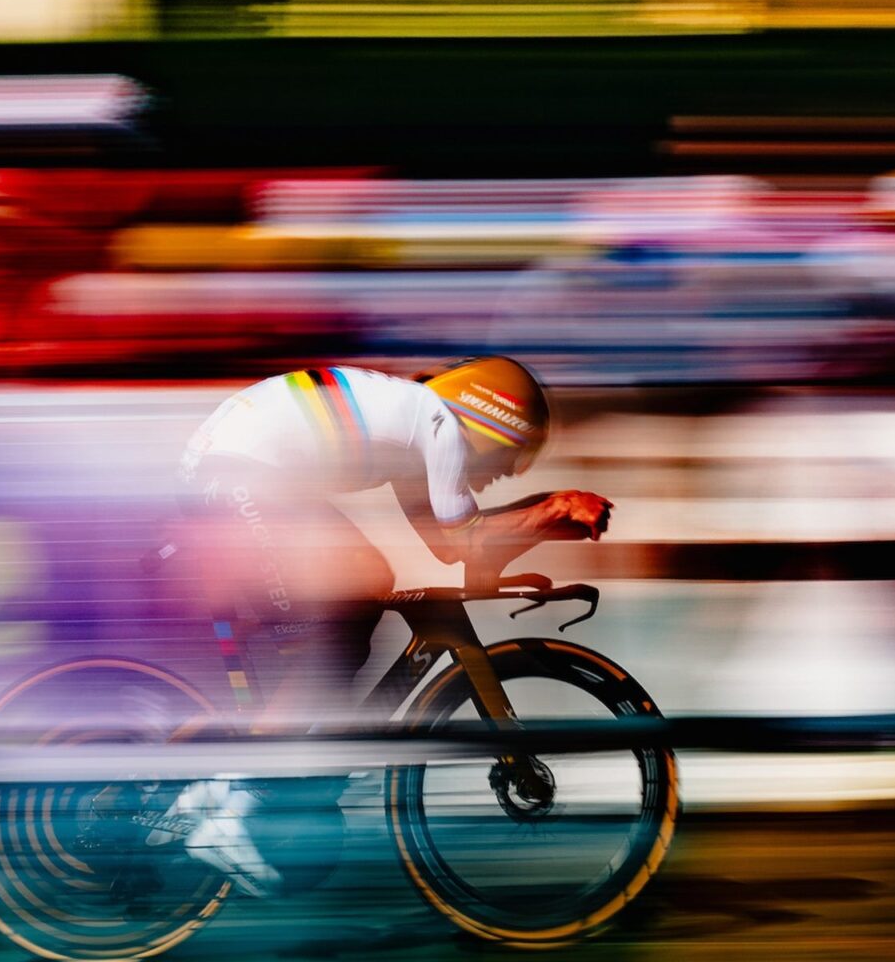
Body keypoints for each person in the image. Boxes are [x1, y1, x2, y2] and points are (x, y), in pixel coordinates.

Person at [154, 357, 612, 896]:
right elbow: (468, 542)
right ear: (493, 421)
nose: (500, 477)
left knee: (358, 595)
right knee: (346, 612)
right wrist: (555, 507)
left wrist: (540, 528)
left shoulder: (413, 435)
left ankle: (243, 781)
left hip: (236, 468)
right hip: (240, 473)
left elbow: (453, 550)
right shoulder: (438, 422)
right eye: (509, 460)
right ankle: (234, 800)